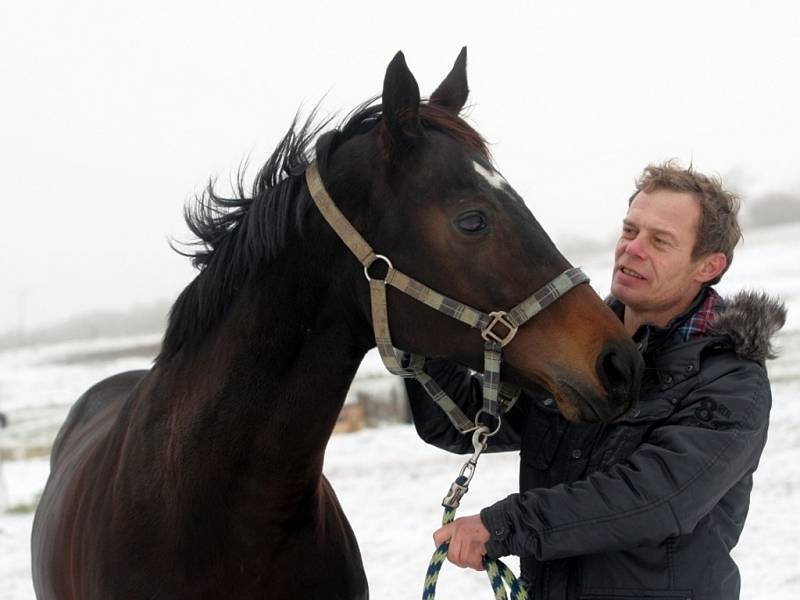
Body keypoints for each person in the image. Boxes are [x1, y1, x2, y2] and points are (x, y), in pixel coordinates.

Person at [405, 161, 786, 600]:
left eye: (659, 241)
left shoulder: (731, 380)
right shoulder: (576, 356)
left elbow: (654, 499)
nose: (632, 249)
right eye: (630, 231)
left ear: (708, 266)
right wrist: (416, 336)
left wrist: (505, 525)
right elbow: (466, 421)